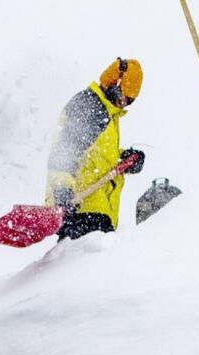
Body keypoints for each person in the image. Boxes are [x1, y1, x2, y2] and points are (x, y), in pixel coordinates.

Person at [46, 58, 147, 241]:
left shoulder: (107, 112)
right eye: (125, 97)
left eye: (130, 101)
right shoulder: (90, 106)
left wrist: (126, 158)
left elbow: (98, 155)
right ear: (114, 86)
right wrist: (62, 190)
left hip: (97, 209)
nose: (125, 104)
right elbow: (65, 148)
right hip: (81, 209)